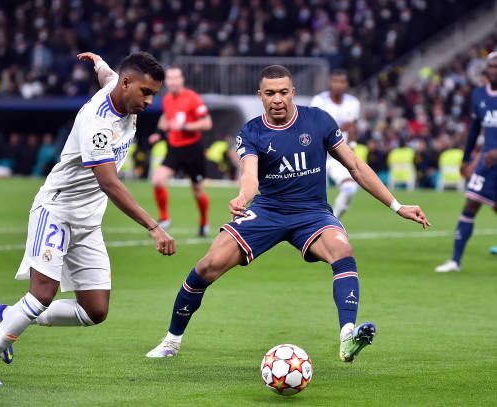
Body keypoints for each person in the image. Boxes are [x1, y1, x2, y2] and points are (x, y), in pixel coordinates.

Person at [146, 65, 430, 363]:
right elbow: (250, 176)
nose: (277, 99)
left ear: (292, 92)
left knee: (342, 248)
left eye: (283, 92)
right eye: (270, 93)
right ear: (260, 96)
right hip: (267, 211)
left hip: (312, 214)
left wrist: (397, 206)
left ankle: (347, 336)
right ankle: (171, 342)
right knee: (207, 265)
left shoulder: (318, 120)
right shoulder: (252, 131)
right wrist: (243, 197)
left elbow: (356, 167)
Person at [0, 51, 175, 386]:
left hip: (88, 222)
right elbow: (108, 182)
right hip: (57, 211)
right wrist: (153, 227)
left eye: (154, 93)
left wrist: (98, 62)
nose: (151, 101)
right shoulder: (99, 122)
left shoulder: (118, 88)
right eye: (146, 92)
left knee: (94, 311)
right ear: (128, 84)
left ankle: (8, 315)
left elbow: (106, 75)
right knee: (42, 294)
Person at [435, 52, 497, 272]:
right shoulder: (479, 95)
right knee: (471, 203)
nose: (494, 70)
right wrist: (465, 158)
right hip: (487, 165)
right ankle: (455, 260)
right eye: (492, 66)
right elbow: (474, 131)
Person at [149, 66, 213, 236]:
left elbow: (207, 123)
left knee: (197, 190)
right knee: (157, 180)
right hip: (174, 149)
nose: (172, 82)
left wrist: (184, 126)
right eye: (169, 78)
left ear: (182, 80)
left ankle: (204, 222)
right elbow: (165, 118)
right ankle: (164, 218)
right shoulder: (167, 99)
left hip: (193, 149)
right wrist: (158, 133)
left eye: (176, 78)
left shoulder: (193, 98)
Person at [311, 70, 361, 218]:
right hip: (319, 153)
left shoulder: (353, 103)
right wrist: (339, 128)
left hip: (339, 154)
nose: (338, 85)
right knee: (315, 197)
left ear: (347, 84)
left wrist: (352, 147)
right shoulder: (319, 101)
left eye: (342, 82)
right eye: (335, 81)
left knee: (350, 188)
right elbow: (314, 128)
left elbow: (352, 127)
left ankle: (334, 220)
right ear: (330, 82)